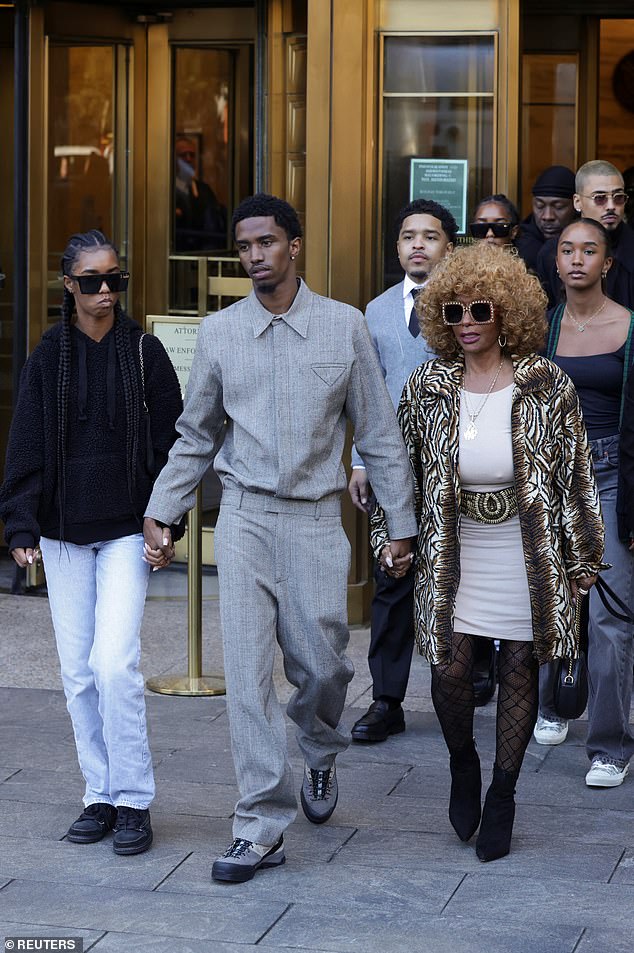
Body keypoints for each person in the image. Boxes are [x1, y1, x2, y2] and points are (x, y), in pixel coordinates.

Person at [143, 193, 418, 883]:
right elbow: (197, 432)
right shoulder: (220, 332)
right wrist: (164, 507)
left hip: (316, 518)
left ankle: (319, 747)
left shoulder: (344, 326)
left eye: (266, 242)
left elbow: (379, 433)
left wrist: (401, 524)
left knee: (323, 663)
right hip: (242, 517)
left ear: (295, 245)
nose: (255, 255)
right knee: (246, 674)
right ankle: (259, 823)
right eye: (244, 246)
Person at [371, 242, 604, 861]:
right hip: (456, 548)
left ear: (507, 311)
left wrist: (583, 557)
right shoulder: (428, 385)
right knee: (448, 668)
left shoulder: (546, 383)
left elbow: (576, 472)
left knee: (519, 670)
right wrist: (387, 537)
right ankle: (462, 765)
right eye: (453, 311)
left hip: (525, 552)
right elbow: (399, 471)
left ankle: (503, 792)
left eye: (479, 308)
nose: (467, 321)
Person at [0, 229, 183, 853]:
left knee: (114, 664)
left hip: (126, 532)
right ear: (68, 285)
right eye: (91, 281)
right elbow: (25, 440)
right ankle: (99, 794)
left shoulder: (145, 353)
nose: (105, 291)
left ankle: (134, 799)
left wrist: (168, 518)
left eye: (115, 279)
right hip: (62, 535)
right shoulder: (49, 354)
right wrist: (19, 522)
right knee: (78, 673)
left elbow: (172, 449)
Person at [348, 198, 456, 743]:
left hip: (457, 465)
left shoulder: (471, 306)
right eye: (408, 235)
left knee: (454, 581)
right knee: (393, 580)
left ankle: (455, 694)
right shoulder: (376, 310)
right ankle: (386, 700)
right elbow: (364, 395)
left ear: (448, 247)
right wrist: (360, 461)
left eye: (430, 236)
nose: (418, 244)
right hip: (392, 467)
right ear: (397, 247)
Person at [537, 218, 634, 787]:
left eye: (589, 250)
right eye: (567, 250)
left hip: (613, 476)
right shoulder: (542, 328)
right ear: (556, 262)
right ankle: (551, 706)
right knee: (549, 603)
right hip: (551, 475)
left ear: (607, 263)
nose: (577, 259)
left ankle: (610, 744)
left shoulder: (628, 327)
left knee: (610, 617)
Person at [537, 160, 634, 309]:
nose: (611, 206)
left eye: (618, 197)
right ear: (577, 202)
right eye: (600, 198)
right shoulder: (551, 252)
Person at [515, 165, 576, 271]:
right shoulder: (521, 245)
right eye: (540, 206)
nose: (547, 216)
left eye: (558, 207)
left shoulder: (591, 239)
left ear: (576, 205)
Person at [174, 135, 227, 252]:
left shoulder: (204, 189)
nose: (188, 159)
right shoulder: (166, 191)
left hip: (202, 256)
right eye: (183, 155)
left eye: (192, 155)